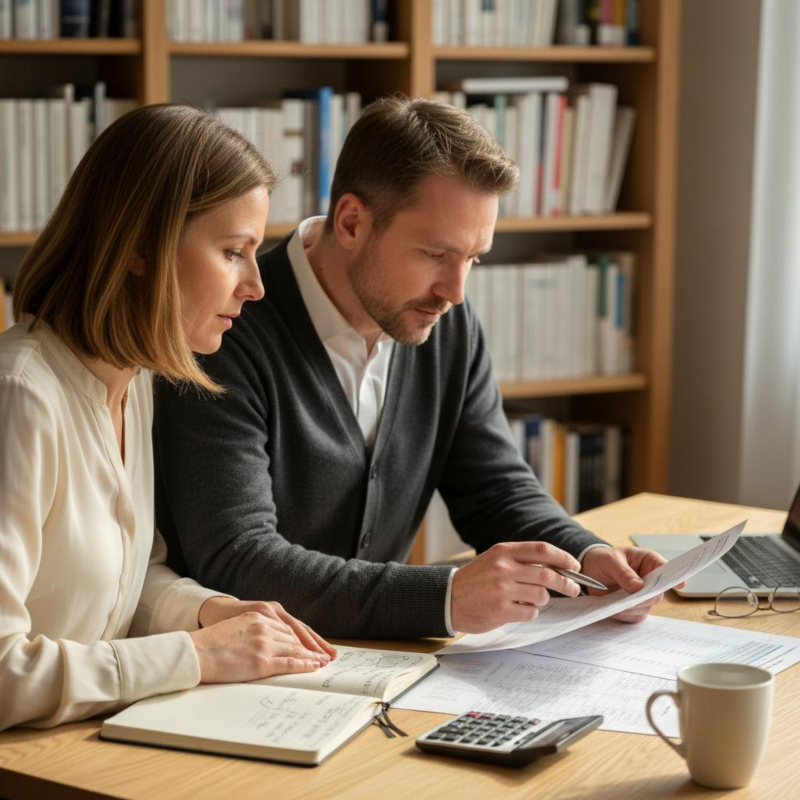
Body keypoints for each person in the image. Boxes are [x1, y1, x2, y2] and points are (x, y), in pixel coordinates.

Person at [153, 97, 669, 641]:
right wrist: (445, 598)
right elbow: (237, 559)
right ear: (352, 222)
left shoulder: (443, 319)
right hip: (234, 668)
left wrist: (585, 557)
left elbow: (495, 489)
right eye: (434, 254)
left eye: (473, 258)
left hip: (379, 663)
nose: (455, 291)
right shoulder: (223, 323)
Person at [0, 104, 336, 732]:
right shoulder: (20, 397)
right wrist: (194, 656)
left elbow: (125, 579)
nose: (256, 286)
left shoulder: (138, 381)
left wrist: (211, 613)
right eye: (234, 251)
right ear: (138, 249)